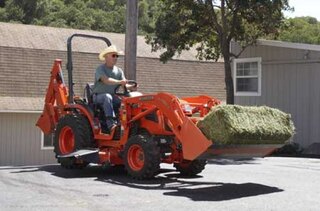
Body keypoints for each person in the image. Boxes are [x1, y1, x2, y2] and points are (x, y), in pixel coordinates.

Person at [92, 45, 134, 133]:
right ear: (106, 57)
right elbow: (106, 80)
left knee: (125, 101)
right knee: (107, 97)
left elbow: (123, 85)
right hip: (98, 96)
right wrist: (120, 82)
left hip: (112, 96)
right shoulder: (100, 69)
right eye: (113, 55)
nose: (115, 58)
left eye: (117, 56)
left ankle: (124, 124)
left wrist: (131, 86)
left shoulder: (119, 71)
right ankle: (111, 125)